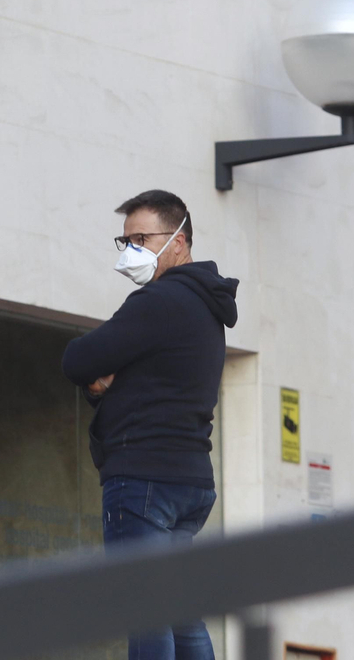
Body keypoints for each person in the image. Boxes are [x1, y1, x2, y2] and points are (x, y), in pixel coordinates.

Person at [61, 190, 238, 660]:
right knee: (180, 614)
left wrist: (98, 383)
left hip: (143, 479)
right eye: (124, 242)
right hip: (190, 481)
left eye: (141, 238)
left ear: (179, 241)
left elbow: (77, 359)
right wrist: (103, 386)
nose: (131, 251)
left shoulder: (157, 302)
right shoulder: (207, 309)